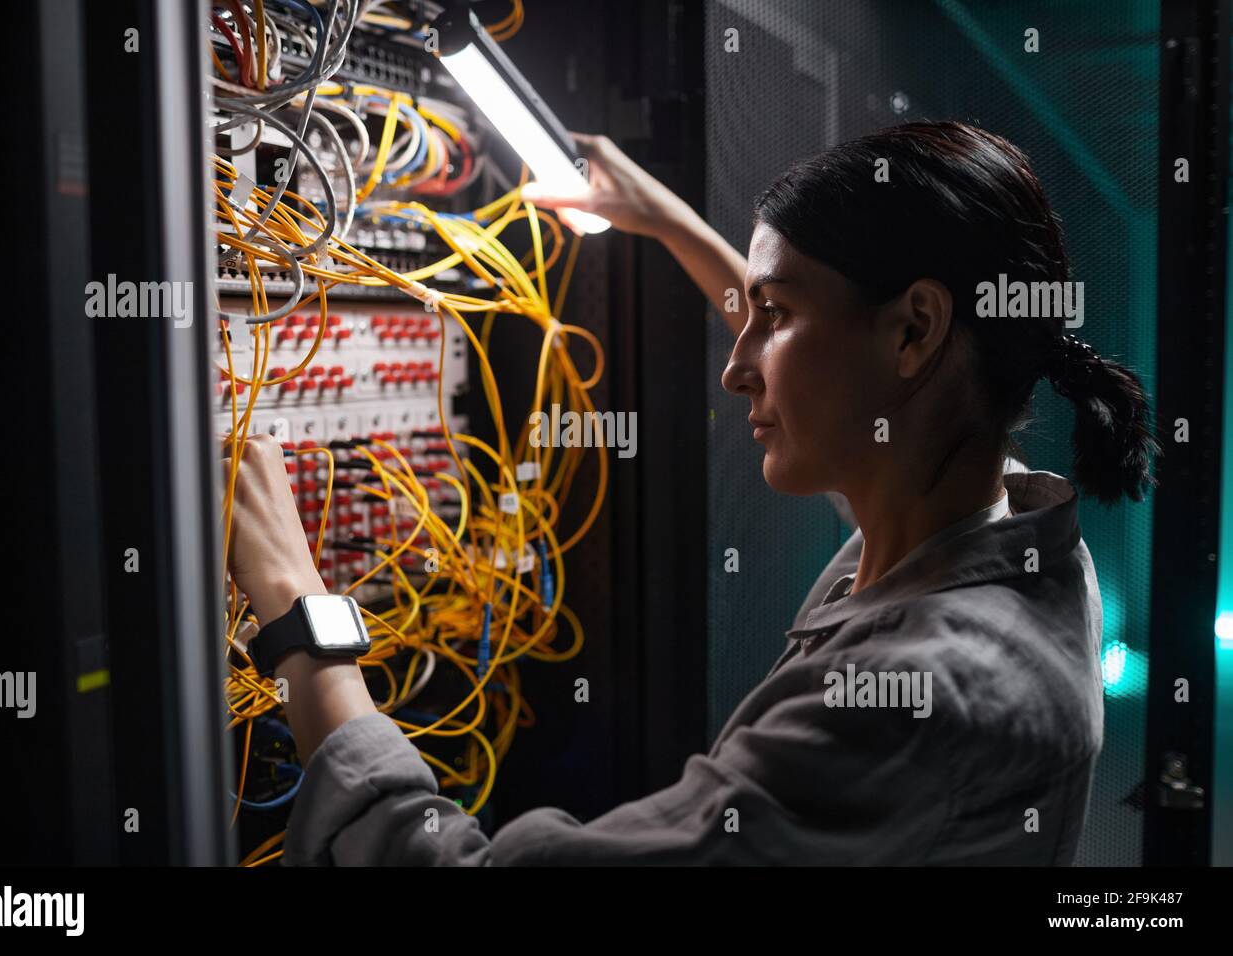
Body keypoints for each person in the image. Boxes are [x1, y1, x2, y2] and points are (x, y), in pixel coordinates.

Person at [225, 121, 1160, 865]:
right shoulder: (1006, 535)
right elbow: (844, 386)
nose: (734, 372)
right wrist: (672, 224)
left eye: (777, 313)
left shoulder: (921, 697)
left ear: (914, 331)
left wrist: (298, 608)